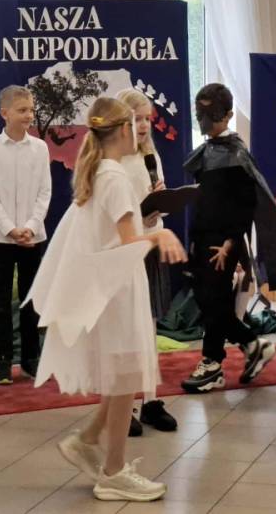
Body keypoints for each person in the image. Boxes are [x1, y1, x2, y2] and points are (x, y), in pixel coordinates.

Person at [27, 97, 187, 502]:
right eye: (135, 123)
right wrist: (161, 234)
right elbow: (129, 241)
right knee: (125, 378)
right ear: (122, 130)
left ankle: (89, 440)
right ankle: (113, 472)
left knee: (123, 379)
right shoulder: (114, 177)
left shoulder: (100, 170)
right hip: (118, 291)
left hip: (116, 288)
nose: (140, 130)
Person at [180, 83, 276, 394]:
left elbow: (245, 205)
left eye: (211, 114)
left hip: (223, 242)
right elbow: (204, 200)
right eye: (200, 114)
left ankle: (213, 361)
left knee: (215, 300)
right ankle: (252, 345)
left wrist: (230, 243)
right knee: (208, 299)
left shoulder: (237, 155)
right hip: (203, 236)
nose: (204, 121)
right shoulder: (208, 152)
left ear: (226, 115)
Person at [0, 85, 51, 386]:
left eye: (31, 110)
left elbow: (44, 192)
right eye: (22, 110)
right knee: (2, 300)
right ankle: (3, 359)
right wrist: (10, 228)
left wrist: (31, 226)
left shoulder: (40, 148)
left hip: (33, 236)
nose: (29, 115)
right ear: (4, 113)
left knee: (31, 299)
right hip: (1, 238)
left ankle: (31, 357)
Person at [115, 88, 177, 436]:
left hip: (150, 243)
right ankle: (123, 405)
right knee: (126, 330)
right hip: (125, 249)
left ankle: (150, 399)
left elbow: (154, 205)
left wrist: (159, 203)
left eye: (146, 119)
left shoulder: (150, 156)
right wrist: (142, 215)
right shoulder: (113, 162)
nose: (142, 126)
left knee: (149, 325)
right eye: (135, 119)